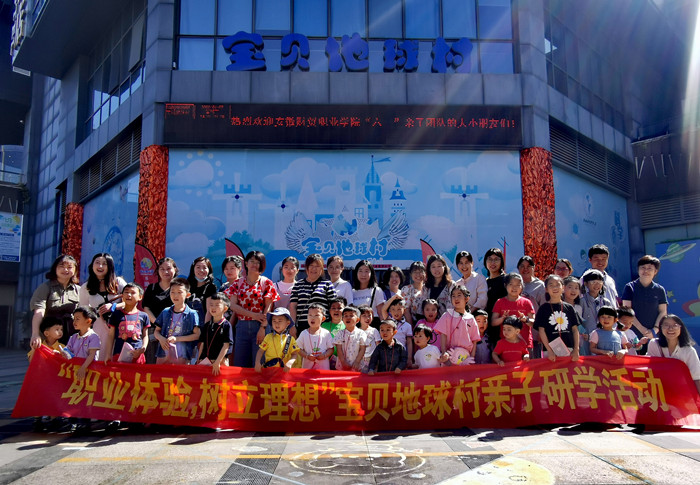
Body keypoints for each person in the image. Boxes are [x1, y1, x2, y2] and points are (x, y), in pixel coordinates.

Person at [225, 251, 279, 368]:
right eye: (252, 261)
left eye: (257, 262)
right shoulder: (238, 283)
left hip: (260, 327)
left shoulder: (266, 283)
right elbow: (232, 305)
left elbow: (268, 308)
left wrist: (263, 328)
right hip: (241, 327)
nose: (254, 265)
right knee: (240, 364)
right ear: (246, 263)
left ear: (262, 265)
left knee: (259, 364)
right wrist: (253, 315)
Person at [79, 253, 126, 363]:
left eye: (104, 264)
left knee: (116, 357)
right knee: (98, 357)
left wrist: (114, 306)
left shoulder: (118, 282)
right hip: (97, 327)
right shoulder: (86, 287)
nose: (100, 266)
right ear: (92, 265)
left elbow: (130, 301)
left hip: (117, 327)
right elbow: (83, 311)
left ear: (110, 267)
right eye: (97, 263)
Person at [29, 254, 81, 348]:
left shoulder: (79, 290)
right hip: (49, 337)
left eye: (69, 267)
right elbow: (39, 312)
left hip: (71, 337)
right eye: (62, 266)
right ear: (55, 268)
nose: (65, 270)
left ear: (75, 270)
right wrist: (35, 334)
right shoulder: (45, 287)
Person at [647, 315, 700, 394]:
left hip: (681, 393)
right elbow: (650, 369)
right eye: (666, 325)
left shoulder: (689, 351)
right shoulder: (654, 344)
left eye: (675, 325)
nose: (670, 328)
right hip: (659, 391)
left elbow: (696, 377)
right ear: (661, 328)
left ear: (681, 328)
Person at [621, 255, 668, 343]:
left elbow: (663, 312)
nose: (646, 271)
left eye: (649, 268)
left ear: (655, 271)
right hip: (633, 334)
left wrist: (654, 330)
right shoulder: (629, 287)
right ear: (638, 270)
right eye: (643, 268)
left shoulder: (660, 289)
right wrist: (643, 330)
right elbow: (627, 311)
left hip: (654, 334)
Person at [154, 277, 201, 365]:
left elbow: (197, 335)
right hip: (163, 352)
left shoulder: (192, 313)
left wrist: (177, 339)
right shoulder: (165, 312)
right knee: (160, 373)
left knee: (180, 373)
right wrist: (161, 339)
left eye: (179, 292)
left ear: (188, 295)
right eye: (172, 292)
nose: (175, 295)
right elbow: (156, 331)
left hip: (182, 354)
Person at [289, 254, 337, 335]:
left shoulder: (327, 284)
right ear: (306, 267)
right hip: (302, 328)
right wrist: (292, 326)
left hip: (323, 327)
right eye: (311, 265)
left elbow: (333, 306)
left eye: (317, 266)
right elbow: (293, 306)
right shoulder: (298, 285)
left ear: (322, 268)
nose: (314, 269)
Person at [142, 257, 178, 364]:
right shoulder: (152, 288)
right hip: (153, 330)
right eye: (162, 269)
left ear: (175, 269)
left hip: (174, 332)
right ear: (157, 271)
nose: (165, 272)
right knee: (152, 362)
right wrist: (158, 323)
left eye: (169, 268)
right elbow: (146, 308)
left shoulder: (179, 288)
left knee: (172, 365)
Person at [435, 285, 480, 364]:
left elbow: (474, 340)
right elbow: (443, 335)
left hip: (465, 358)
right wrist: (444, 352)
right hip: (450, 356)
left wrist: (471, 358)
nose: (456, 298)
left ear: (466, 298)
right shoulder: (447, 315)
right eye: (453, 296)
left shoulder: (471, 318)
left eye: (459, 295)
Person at [105, 283, 150, 363]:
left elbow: (145, 335)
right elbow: (111, 335)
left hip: (137, 355)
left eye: (133, 293)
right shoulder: (116, 314)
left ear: (140, 297)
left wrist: (143, 348)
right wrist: (108, 354)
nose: (129, 295)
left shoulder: (144, 315)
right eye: (126, 292)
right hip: (119, 354)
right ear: (122, 295)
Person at [491, 273, 535, 351]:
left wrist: (526, 319)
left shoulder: (527, 302)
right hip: (505, 346)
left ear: (522, 287)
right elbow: (493, 322)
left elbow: (533, 322)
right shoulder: (500, 302)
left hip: (525, 345)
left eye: (518, 285)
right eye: (511, 284)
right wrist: (502, 318)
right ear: (505, 285)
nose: (514, 288)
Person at [196, 292, 233, 375]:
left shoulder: (226, 325)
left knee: (221, 382)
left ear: (225, 308)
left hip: (220, 362)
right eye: (211, 305)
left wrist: (218, 362)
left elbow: (226, 345)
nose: (213, 307)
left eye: (217, 305)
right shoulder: (207, 325)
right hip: (206, 362)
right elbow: (202, 343)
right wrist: (199, 358)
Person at [255, 307, 300, 372]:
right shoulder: (268, 337)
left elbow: (294, 354)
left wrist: (290, 363)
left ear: (288, 323)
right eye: (274, 321)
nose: (277, 323)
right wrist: (257, 362)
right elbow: (260, 351)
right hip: (269, 371)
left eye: (280, 321)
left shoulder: (290, 339)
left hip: (284, 372)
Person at [64, 306, 101, 379]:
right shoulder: (73, 337)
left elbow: (92, 355)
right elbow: (68, 351)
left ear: (88, 321)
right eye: (74, 319)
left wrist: (83, 368)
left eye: (77, 319)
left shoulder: (93, 337)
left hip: (89, 372)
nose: (74, 322)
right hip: (74, 371)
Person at [297, 303, 334, 370]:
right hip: (307, 368)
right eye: (310, 315)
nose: (312, 318)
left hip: (323, 368)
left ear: (323, 318)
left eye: (316, 315)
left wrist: (324, 355)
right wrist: (307, 356)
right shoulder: (303, 333)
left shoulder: (326, 333)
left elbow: (331, 349)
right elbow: (298, 348)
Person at [580, 269, 613, 339]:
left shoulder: (606, 302)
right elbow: (577, 322)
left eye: (600, 282)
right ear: (585, 283)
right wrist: (584, 333)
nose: (597, 285)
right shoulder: (582, 302)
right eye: (593, 282)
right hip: (586, 338)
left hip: (603, 338)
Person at [484, 248, 507, 344]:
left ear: (501, 262)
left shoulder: (506, 280)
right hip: (486, 326)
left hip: (502, 326)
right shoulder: (483, 282)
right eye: (490, 259)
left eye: (496, 259)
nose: (493, 263)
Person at [333, 305, 367, 371]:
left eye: (351, 315)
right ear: (342, 319)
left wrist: (357, 362)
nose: (348, 318)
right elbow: (339, 348)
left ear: (357, 320)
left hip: (357, 365)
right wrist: (343, 362)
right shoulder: (340, 333)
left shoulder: (361, 333)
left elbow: (363, 349)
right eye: (345, 316)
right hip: (342, 365)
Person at [383, 297, 413, 367]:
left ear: (404, 310)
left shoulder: (407, 326)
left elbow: (409, 343)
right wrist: (393, 297)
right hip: (388, 354)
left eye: (399, 309)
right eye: (393, 309)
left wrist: (409, 358)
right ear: (390, 311)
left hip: (401, 355)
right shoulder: (388, 322)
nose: (396, 312)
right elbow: (383, 310)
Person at [187, 256, 218, 324]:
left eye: (204, 267)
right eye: (198, 267)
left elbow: (209, 312)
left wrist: (205, 328)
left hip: (202, 324)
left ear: (209, 270)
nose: (201, 270)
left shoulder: (211, 287)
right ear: (193, 269)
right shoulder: (187, 286)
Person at [563, 276, 588, 355]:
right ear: (563, 288)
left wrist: (584, 333)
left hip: (578, 341)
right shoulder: (559, 306)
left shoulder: (579, 307)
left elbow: (580, 324)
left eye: (576, 288)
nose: (573, 290)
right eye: (570, 287)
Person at [358, 304, 381, 372]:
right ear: (358, 318)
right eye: (364, 316)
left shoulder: (374, 330)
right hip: (361, 358)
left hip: (373, 358)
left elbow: (378, 345)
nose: (367, 318)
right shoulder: (356, 331)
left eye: (369, 315)